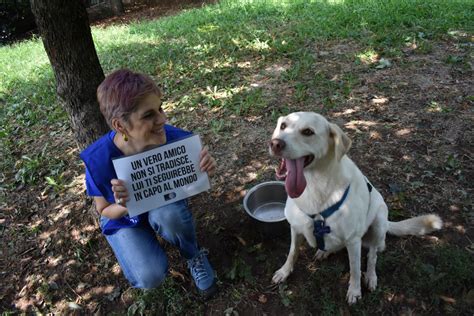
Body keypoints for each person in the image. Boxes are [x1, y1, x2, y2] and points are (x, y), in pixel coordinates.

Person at [80, 69, 217, 298]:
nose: (163, 119)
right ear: (120, 126)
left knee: (169, 217)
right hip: (125, 218)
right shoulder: (98, 160)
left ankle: (193, 254)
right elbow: (104, 209)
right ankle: (142, 244)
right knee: (150, 276)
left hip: (162, 206)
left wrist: (202, 169)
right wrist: (125, 204)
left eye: (161, 108)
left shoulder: (174, 140)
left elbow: (190, 184)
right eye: (148, 115)